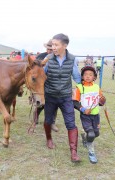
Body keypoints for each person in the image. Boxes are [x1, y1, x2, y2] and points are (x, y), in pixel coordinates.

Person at [43, 33, 81, 162]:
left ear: (65, 45)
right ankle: (49, 139)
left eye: (56, 44)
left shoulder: (72, 59)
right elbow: (42, 76)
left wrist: (89, 87)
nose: (53, 47)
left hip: (65, 97)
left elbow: (77, 78)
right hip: (50, 96)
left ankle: (74, 152)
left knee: (71, 123)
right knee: (48, 120)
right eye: (52, 44)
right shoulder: (48, 59)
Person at [73, 66, 106, 164]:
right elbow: (74, 102)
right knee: (91, 134)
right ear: (82, 76)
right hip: (85, 116)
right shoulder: (79, 88)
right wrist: (83, 109)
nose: (88, 76)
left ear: (94, 77)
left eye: (90, 75)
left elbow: (101, 101)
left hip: (96, 115)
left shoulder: (96, 87)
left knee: (96, 133)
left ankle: (85, 138)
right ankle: (91, 153)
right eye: (85, 74)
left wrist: (103, 101)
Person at [33, 39, 58, 132]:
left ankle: (52, 122)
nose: (49, 51)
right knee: (40, 103)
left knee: (55, 104)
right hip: (42, 84)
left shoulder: (58, 58)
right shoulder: (40, 56)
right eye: (48, 49)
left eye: (51, 49)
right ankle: (35, 118)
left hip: (53, 84)